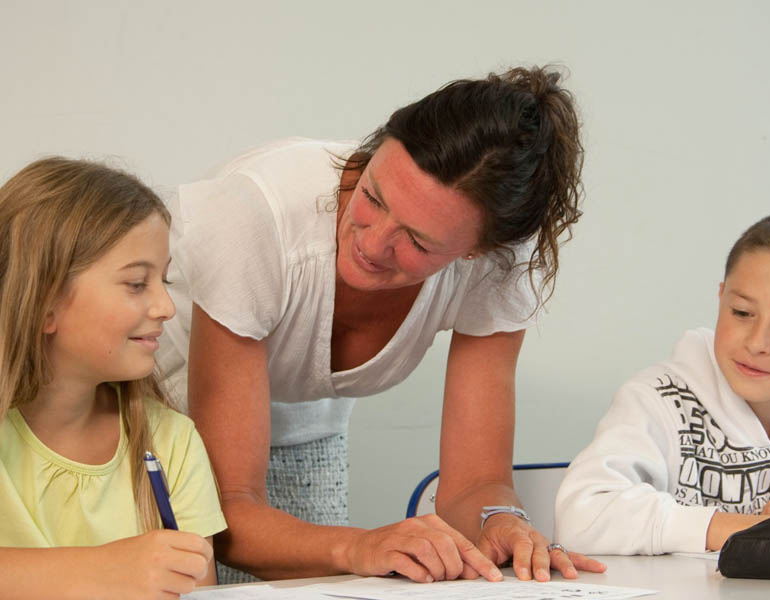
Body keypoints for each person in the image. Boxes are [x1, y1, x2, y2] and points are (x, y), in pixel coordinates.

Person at [158, 65, 606, 584]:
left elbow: (473, 485)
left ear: (478, 250)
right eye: (372, 197)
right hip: (155, 397)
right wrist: (362, 544)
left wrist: (502, 520)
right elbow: (227, 520)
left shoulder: (500, 265)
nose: (370, 245)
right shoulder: (254, 214)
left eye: (418, 242)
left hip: (305, 413)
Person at [0, 157, 227, 599]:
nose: (166, 307)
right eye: (137, 284)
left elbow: (200, 592)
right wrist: (103, 571)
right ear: (45, 301)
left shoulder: (173, 443)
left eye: (164, 280)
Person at [554, 210, 770, 555]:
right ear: (721, 297)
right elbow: (582, 518)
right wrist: (762, 531)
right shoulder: (657, 400)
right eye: (742, 313)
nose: (757, 343)